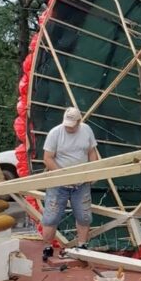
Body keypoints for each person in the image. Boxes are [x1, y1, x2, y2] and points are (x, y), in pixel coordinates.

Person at [41, 107, 99, 261]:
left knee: (84, 216)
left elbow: (92, 152)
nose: (69, 127)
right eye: (67, 124)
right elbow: (47, 158)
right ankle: (47, 247)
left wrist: (93, 171)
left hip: (81, 184)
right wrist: (63, 175)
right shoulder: (55, 133)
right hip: (58, 183)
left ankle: (82, 246)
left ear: (79, 122)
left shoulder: (86, 130)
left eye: (72, 125)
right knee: (51, 218)